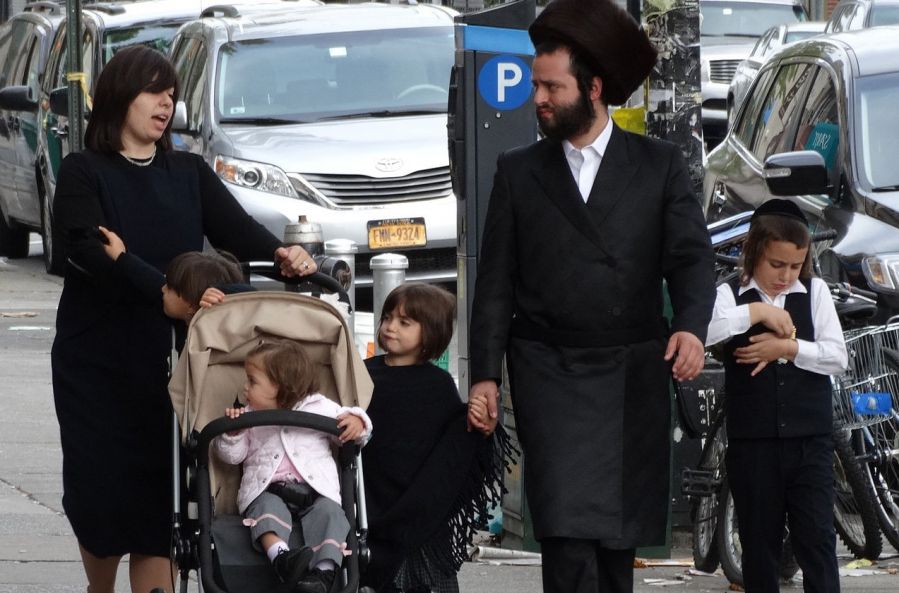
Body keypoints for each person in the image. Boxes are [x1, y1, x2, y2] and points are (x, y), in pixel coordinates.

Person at [465, 1, 716, 592]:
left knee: (615, 545)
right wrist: (485, 376)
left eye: (552, 86)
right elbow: (495, 281)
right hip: (548, 371)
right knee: (567, 538)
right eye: (536, 85)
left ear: (594, 87)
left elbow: (690, 259)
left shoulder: (658, 165)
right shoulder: (518, 170)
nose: (539, 98)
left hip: (633, 372)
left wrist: (691, 326)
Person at [50, 45, 318, 593]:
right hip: (96, 364)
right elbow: (87, 252)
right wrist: (161, 292)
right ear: (120, 98)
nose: (165, 103)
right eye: (154, 92)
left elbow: (240, 234)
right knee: (100, 496)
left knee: (158, 506)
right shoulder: (84, 171)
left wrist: (288, 259)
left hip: (171, 365)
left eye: (171, 94)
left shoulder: (187, 170)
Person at [706, 199, 847, 593]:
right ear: (753, 253)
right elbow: (707, 332)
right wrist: (756, 314)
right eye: (776, 265)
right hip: (754, 445)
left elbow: (837, 356)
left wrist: (788, 349)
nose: (786, 275)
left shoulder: (814, 292)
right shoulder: (730, 295)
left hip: (810, 442)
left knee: (817, 541)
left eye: (795, 265)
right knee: (759, 545)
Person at [361, 283, 513, 593]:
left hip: (420, 513)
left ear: (431, 333)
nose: (390, 327)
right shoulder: (363, 374)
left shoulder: (438, 384)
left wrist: (477, 419)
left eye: (405, 322)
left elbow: (453, 446)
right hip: (369, 503)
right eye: (387, 317)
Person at [214, 339, 372, 593]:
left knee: (333, 515)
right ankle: (282, 558)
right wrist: (234, 433)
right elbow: (232, 457)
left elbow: (354, 431)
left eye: (252, 381)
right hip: (269, 489)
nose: (244, 388)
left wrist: (357, 421)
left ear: (281, 385)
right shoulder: (249, 415)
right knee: (265, 509)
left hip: (316, 492)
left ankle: (323, 574)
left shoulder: (319, 407)